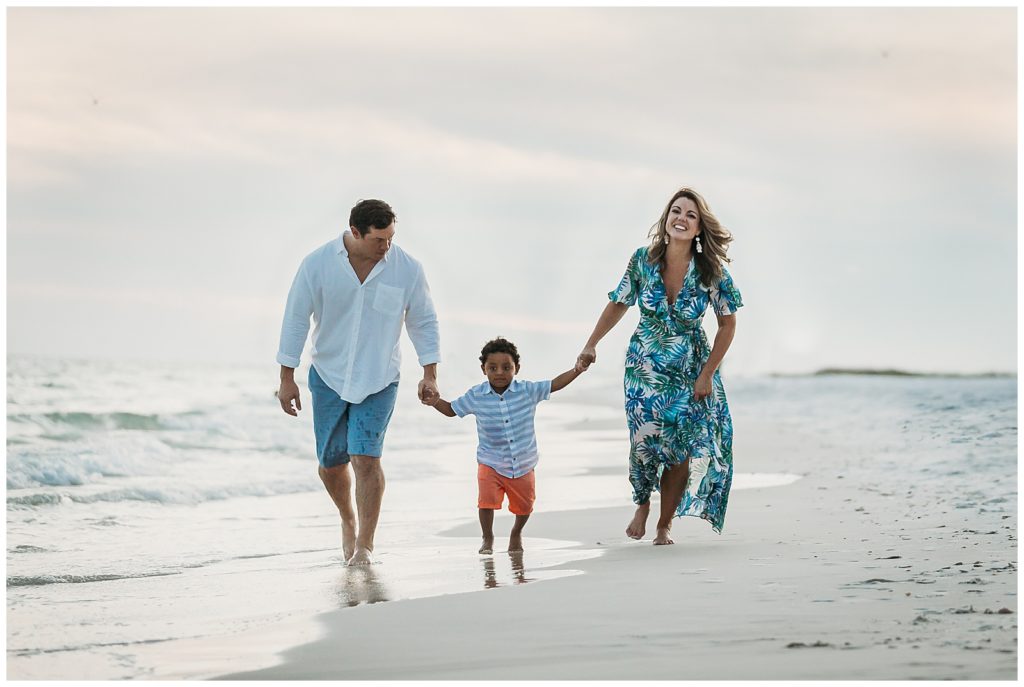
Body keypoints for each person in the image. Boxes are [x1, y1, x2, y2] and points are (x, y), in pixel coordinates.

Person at [276, 198, 440, 566]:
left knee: (366, 458)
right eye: (379, 240)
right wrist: (286, 378)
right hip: (328, 375)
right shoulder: (316, 265)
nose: (387, 247)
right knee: (331, 464)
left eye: (391, 238)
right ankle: (348, 519)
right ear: (355, 232)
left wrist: (430, 373)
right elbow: (295, 320)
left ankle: (365, 544)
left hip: (380, 377)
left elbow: (424, 321)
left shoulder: (407, 269)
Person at [575, 187, 742, 545]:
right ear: (666, 220)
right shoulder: (642, 261)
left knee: (679, 446)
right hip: (643, 366)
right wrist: (591, 343)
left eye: (691, 215)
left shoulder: (711, 272)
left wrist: (708, 372)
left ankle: (665, 523)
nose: (682, 218)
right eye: (676, 212)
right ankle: (642, 502)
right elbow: (619, 302)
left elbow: (727, 325)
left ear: (699, 229)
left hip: (689, 367)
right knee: (644, 441)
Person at [426, 337, 584, 554]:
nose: (499, 372)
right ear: (483, 369)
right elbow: (452, 409)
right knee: (486, 501)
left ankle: (516, 533)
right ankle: (487, 537)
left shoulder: (527, 391)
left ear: (516, 368)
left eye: (506, 367)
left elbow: (555, 384)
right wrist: (434, 401)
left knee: (525, 506)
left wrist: (577, 369)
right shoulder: (476, 396)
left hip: (524, 461)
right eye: (492, 367)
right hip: (490, 461)